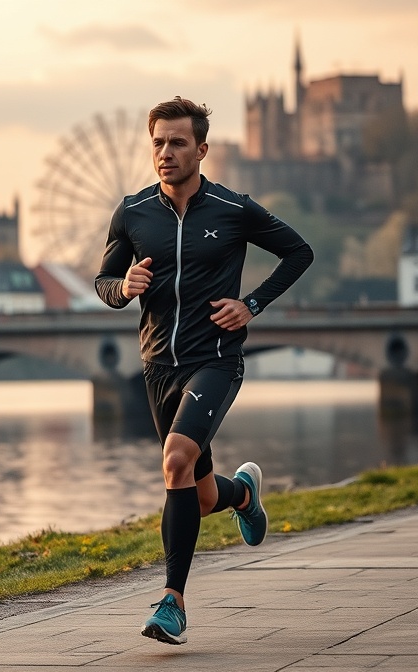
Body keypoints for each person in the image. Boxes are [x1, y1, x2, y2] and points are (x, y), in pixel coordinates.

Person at [94, 96, 314, 645]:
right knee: (199, 493)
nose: (165, 153)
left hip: (215, 360)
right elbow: (104, 284)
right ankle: (241, 494)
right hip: (157, 368)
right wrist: (123, 288)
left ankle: (172, 603)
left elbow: (298, 252)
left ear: (202, 149)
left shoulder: (232, 209)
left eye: (177, 143)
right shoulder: (133, 212)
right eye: (158, 144)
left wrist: (252, 305)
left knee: (174, 460)